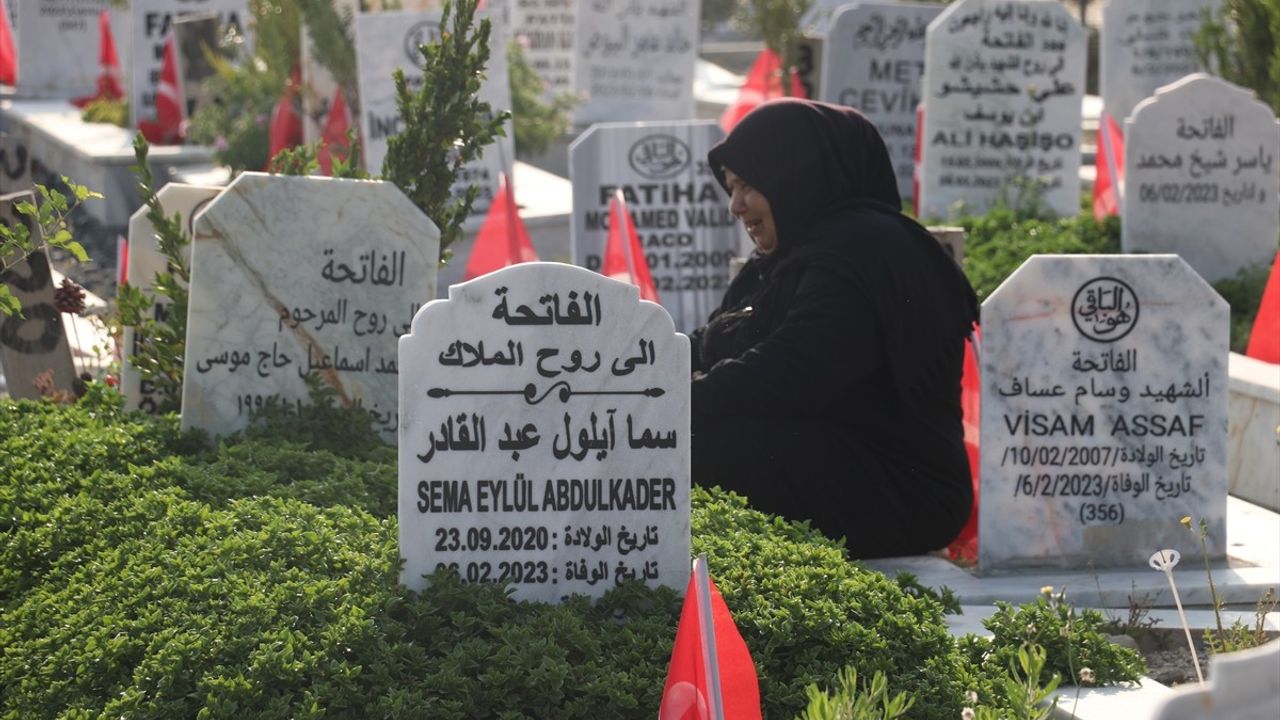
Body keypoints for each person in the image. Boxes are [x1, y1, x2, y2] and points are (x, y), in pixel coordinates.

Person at [690, 99, 978, 558]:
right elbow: (714, 341)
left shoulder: (865, 252)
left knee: (695, 445)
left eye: (748, 184)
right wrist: (635, 369)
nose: (735, 205)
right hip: (830, 459)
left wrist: (668, 404)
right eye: (731, 187)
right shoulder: (789, 256)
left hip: (904, 494)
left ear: (795, 176)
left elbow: (789, 371)